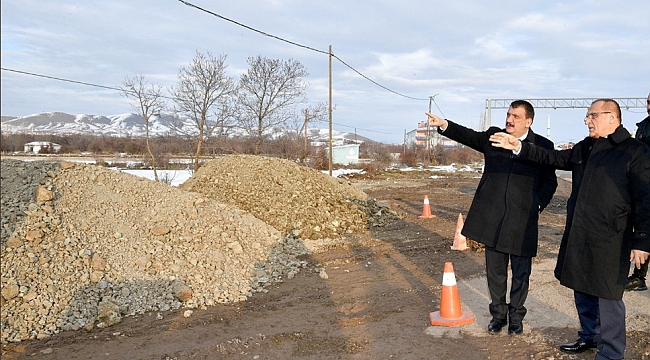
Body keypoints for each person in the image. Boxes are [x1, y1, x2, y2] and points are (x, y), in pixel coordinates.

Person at [489, 99, 650, 360]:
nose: (587, 121)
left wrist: (642, 240)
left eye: (592, 116)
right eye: (587, 117)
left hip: (612, 235)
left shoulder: (634, 151)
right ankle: (589, 336)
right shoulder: (585, 148)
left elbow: (645, 197)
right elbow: (552, 157)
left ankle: (610, 352)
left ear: (612, 117)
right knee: (582, 286)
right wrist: (519, 146)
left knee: (608, 295)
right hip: (580, 231)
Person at [426, 100, 558, 336]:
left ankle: (516, 317)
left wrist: (537, 205)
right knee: (495, 272)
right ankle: (498, 316)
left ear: (528, 121)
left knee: (521, 273)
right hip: (494, 219)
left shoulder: (543, 145)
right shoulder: (494, 137)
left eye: (516, 116)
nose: (510, 119)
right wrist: (445, 124)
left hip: (522, 220)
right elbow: (469, 136)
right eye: (508, 114)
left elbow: (551, 182)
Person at [625, 92, 650, 291]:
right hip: (643, 180)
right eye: (648, 101)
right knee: (642, 227)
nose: (649, 105)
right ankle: (639, 277)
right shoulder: (643, 125)